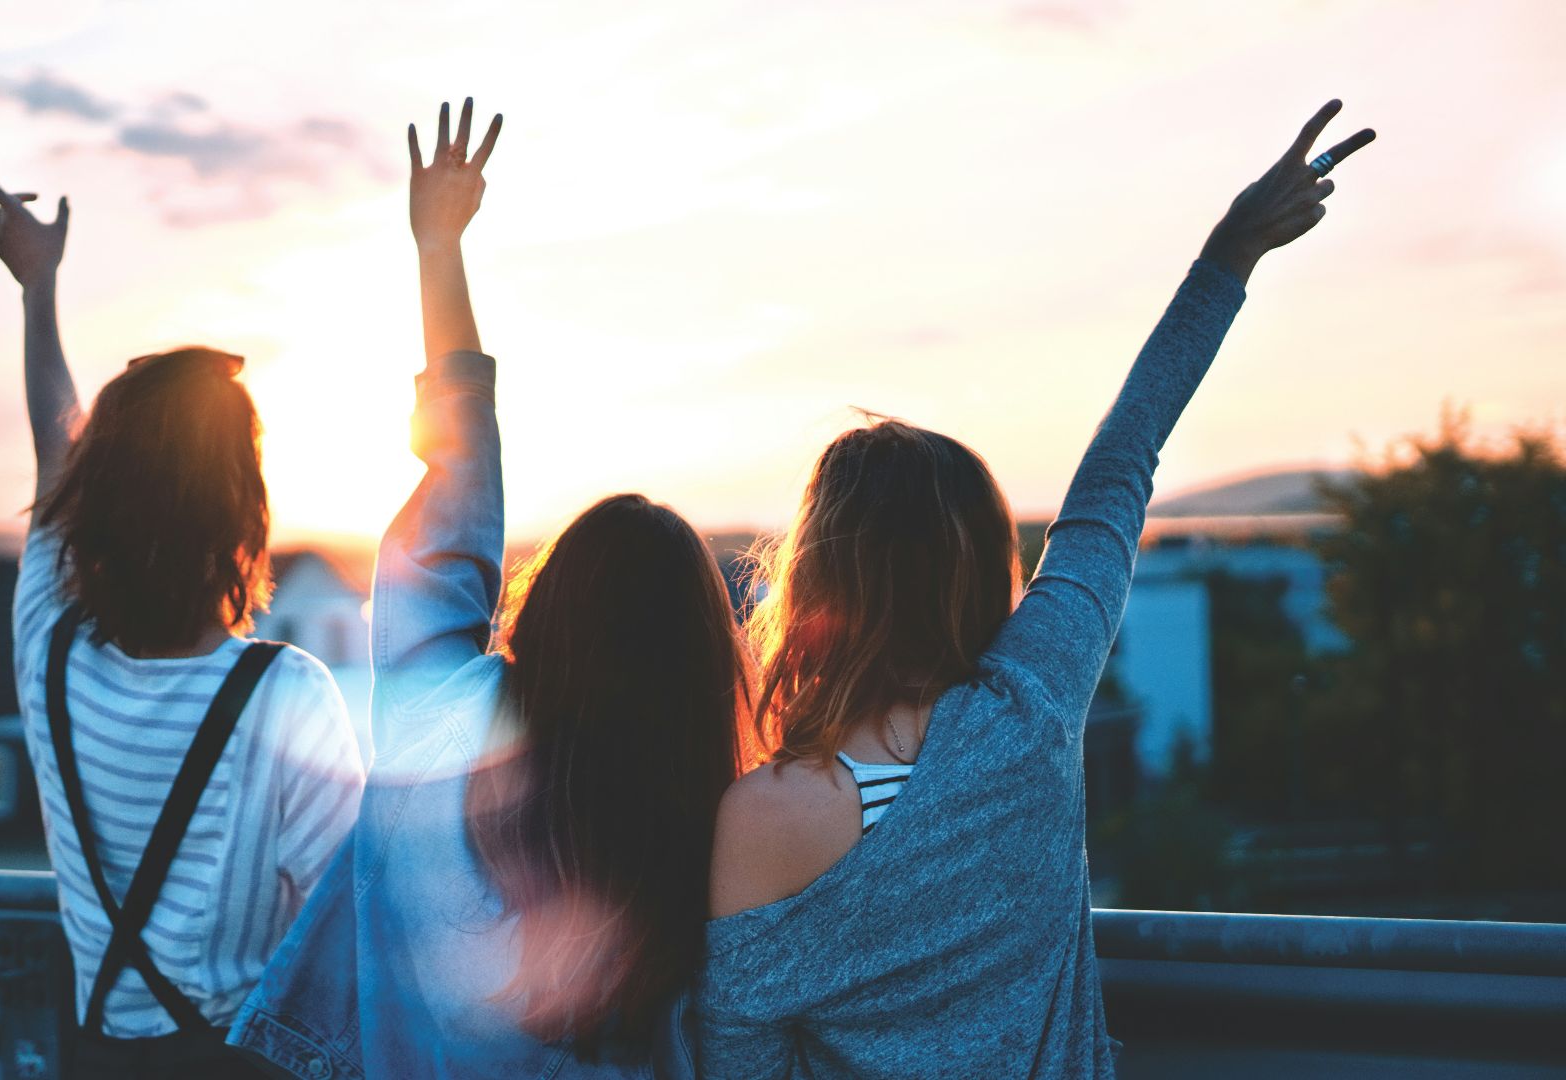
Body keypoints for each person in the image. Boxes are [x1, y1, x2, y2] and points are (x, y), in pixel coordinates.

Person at [696, 102, 1376, 1078]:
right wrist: (1227, 258)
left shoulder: (763, 817)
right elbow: (1118, 472)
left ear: (815, 573)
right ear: (976, 566)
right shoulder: (1032, 706)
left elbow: (739, 1066)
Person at [232, 100, 753, 1079]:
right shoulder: (702, 833)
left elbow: (458, 492)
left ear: (548, 606)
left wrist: (438, 248)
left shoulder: (437, 723)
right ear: (697, 659)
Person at [0, 164, 366, 1079]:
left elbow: (53, 449)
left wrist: (39, 289)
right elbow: (352, 926)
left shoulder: (48, 645)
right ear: (241, 514)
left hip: (93, 1057)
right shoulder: (285, 696)